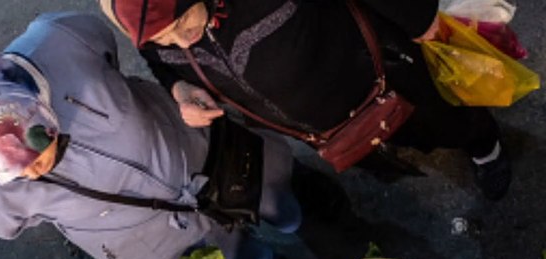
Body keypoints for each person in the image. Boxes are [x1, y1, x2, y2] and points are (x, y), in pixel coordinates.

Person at [0, 12, 304, 259]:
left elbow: (107, 47)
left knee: (296, 194)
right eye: (17, 171)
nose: (34, 169)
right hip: (154, 248)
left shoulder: (60, 38)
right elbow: (5, 224)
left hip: (210, 152)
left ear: (40, 104)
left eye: (38, 146)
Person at [100, 0, 514, 200]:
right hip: (323, 129)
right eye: (162, 40)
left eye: (181, 23)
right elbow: (159, 62)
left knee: (444, 121)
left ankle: (486, 147)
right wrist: (179, 90)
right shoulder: (149, 31)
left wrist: (419, 19)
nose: (178, 41)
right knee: (397, 141)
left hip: (382, 75)